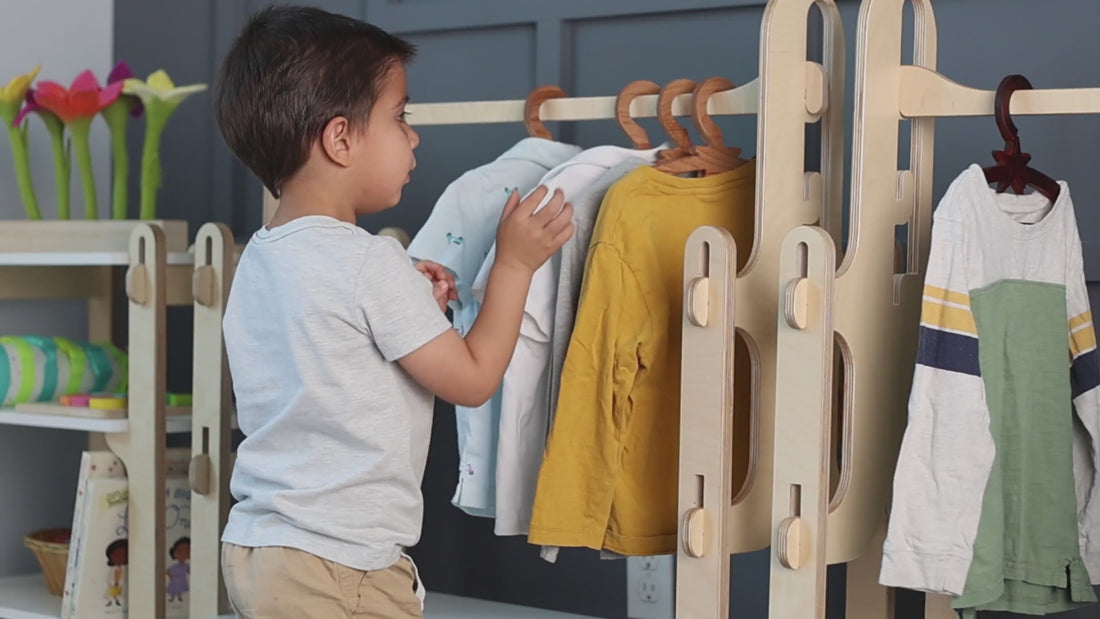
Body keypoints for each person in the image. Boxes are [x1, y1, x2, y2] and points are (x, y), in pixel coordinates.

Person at [212, 5, 573, 618]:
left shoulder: (260, 259)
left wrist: (411, 303)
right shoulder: (371, 263)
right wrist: (514, 265)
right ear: (340, 138)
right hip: (338, 565)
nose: (414, 136)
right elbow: (474, 378)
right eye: (400, 117)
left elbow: (335, 346)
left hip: (260, 546)